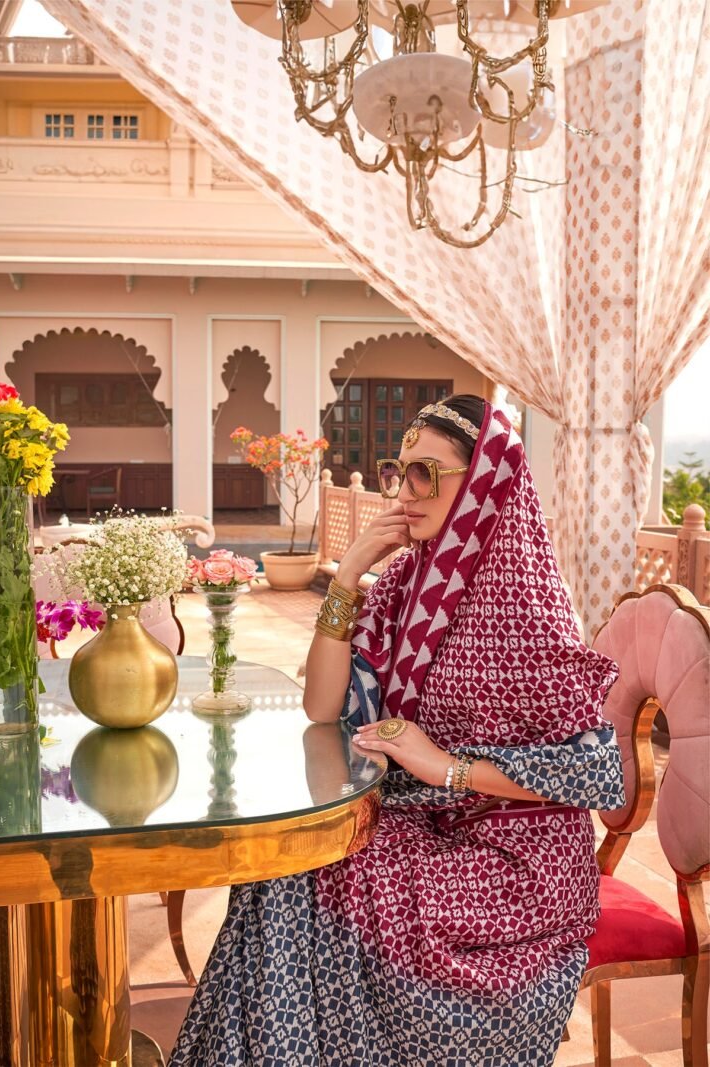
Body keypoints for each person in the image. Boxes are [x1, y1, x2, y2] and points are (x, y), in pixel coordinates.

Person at [169, 394, 624, 1067]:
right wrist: (349, 575)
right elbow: (323, 707)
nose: (404, 491)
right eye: (399, 470)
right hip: (428, 825)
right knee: (281, 866)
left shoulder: (529, 608)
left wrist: (446, 767)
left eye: (425, 474)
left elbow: (593, 775)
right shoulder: (409, 580)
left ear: (482, 484)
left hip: (516, 868)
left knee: (303, 878)